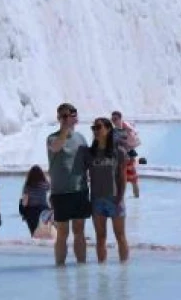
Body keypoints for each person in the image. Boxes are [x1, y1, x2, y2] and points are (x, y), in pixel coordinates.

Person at [48, 103, 91, 266]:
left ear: (76, 117)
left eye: (70, 115)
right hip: (60, 192)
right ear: (59, 119)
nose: (67, 119)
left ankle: (82, 266)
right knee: (62, 233)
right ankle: (60, 268)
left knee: (79, 232)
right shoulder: (52, 138)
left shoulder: (81, 138)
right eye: (63, 116)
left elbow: (87, 162)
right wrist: (65, 130)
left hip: (79, 190)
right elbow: (56, 147)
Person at [88, 117, 130, 263]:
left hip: (114, 198)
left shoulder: (118, 151)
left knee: (120, 236)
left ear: (108, 129)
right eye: (94, 128)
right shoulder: (91, 152)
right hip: (96, 199)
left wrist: (120, 197)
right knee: (100, 237)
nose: (96, 131)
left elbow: (123, 176)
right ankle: (102, 271)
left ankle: (124, 271)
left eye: (99, 127)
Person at [110, 110, 141, 198]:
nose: (113, 121)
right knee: (119, 180)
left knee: (133, 180)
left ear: (120, 119)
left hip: (129, 158)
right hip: (118, 158)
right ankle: (120, 199)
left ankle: (136, 200)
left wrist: (128, 145)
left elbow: (137, 142)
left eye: (115, 119)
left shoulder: (128, 128)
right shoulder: (113, 131)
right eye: (112, 119)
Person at [21, 165, 52, 236]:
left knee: (33, 232)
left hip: (31, 211)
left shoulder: (27, 186)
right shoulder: (44, 184)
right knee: (44, 231)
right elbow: (50, 188)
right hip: (44, 210)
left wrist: (23, 211)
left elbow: (25, 202)